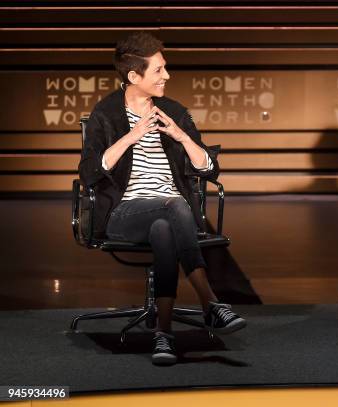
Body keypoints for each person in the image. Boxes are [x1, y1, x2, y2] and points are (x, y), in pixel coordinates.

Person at [78, 32, 246, 366]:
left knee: (164, 229)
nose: (166, 75)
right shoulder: (106, 113)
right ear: (133, 76)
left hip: (170, 214)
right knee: (174, 206)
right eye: (158, 70)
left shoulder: (174, 112)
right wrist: (132, 135)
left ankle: (164, 335)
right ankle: (210, 302)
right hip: (122, 213)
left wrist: (181, 136)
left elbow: (210, 169)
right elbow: (90, 172)